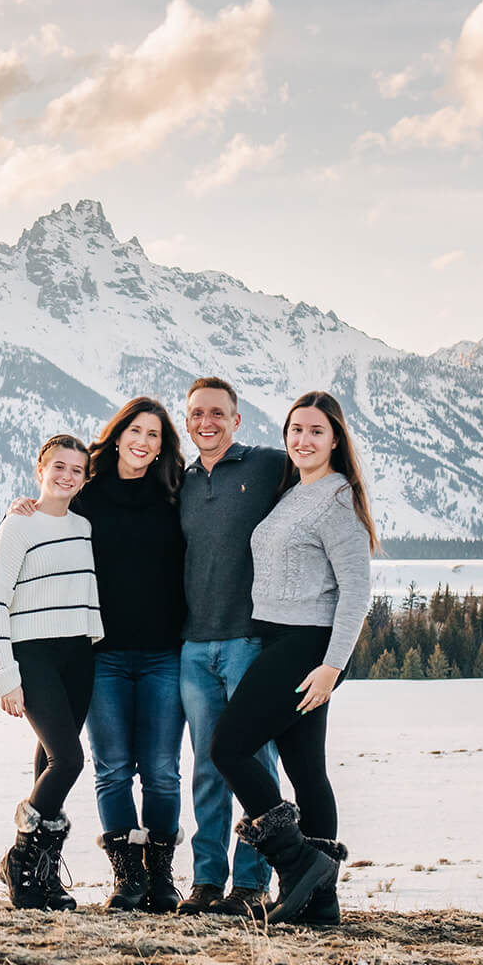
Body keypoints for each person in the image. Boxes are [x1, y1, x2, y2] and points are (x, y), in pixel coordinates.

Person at [210, 389, 377, 925]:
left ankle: (298, 861)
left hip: (310, 646)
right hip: (282, 640)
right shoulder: (292, 493)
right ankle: (320, 904)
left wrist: (332, 665)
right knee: (307, 771)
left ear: (335, 440)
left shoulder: (335, 499)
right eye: (296, 430)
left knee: (229, 748)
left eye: (316, 432)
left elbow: (356, 591)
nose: (302, 440)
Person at [16, 398, 188, 911]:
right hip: (103, 654)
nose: (144, 442)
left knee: (161, 769)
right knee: (112, 767)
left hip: (165, 652)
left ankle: (159, 877)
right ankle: (126, 878)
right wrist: (22, 509)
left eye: (155, 435)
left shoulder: (176, 492)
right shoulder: (86, 493)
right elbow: (49, 515)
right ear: (117, 435)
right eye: (136, 430)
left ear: (163, 446)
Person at [175, 376, 288, 918]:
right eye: (197, 414)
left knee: (253, 761)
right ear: (187, 419)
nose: (206, 423)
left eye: (217, 413)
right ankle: (204, 881)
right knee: (205, 767)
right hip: (193, 647)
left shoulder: (266, 465)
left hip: (247, 641)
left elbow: (322, 475)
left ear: (236, 420)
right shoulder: (181, 480)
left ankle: (251, 885)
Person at [0, 433, 105, 910]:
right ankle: (19, 858)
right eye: (58, 466)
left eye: (77, 469)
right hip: (32, 655)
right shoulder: (18, 525)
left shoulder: (84, 527)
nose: (67, 475)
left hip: (78, 653)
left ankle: (41, 879)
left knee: (47, 762)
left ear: (85, 477)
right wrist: (3, 674)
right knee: (69, 761)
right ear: (41, 469)